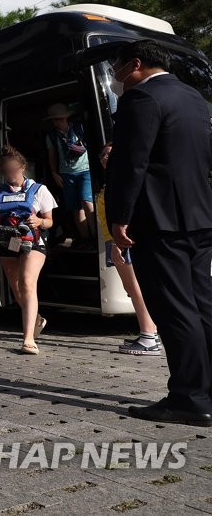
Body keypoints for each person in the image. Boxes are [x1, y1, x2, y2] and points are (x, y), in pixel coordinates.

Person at [105, 39, 212, 427]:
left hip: (158, 220)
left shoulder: (140, 100)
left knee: (173, 309)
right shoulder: (193, 97)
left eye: (116, 69)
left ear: (135, 64)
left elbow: (134, 164)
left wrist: (118, 217)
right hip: (198, 215)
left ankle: (189, 398)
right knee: (202, 305)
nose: (115, 78)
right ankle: (206, 390)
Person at [0, 145, 57, 355]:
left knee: (26, 283)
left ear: (23, 167)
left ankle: (28, 339)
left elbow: (50, 221)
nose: (10, 174)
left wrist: (39, 221)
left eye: (14, 170)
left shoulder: (38, 190)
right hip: (7, 243)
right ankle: (37, 319)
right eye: (6, 171)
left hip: (33, 242)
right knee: (16, 288)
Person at [94, 142, 160, 356]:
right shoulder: (115, 182)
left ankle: (149, 334)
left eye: (110, 154)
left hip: (122, 241)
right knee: (132, 288)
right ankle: (149, 332)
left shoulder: (122, 183)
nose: (105, 157)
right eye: (102, 154)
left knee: (134, 288)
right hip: (115, 240)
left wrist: (116, 243)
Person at [45, 103, 95, 249]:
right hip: (66, 174)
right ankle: (86, 239)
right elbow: (52, 155)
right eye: (55, 120)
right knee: (76, 208)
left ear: (67, 118)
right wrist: (54, 173)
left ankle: (95, 236)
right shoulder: (52, 136)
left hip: (85, 170)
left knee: (87, 202)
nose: (58, 122)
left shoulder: (79, 128)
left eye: (60, 119)